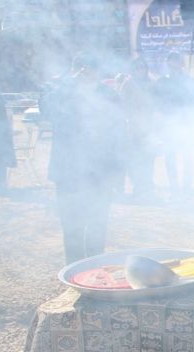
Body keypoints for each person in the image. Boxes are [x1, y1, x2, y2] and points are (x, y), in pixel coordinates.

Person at [43, 53, 125, 264]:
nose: (88, 75)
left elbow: (119, 134)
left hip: (101, 170)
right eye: (83, 70)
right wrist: (69, 83)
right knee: (72, 225)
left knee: (98, 223)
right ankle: (74, 271)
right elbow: (46, 109)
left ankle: (95, 267)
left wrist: (117, 172)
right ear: (76, 70)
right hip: (68, 171)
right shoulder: (62, 92)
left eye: (92, 70)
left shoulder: (109, 95)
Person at [154, 53, 194, 198]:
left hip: (186, 123)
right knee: (170, 157)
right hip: (169, 124)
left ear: (181, 64)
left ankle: (186, 187)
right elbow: (156, 103)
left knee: (188, 157)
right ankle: (174, 186)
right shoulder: (161, 82)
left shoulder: (189, 81)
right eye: (171, 62)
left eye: (176, 62)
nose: (174, 65)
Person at [119, 57, 156, 202]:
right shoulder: (127, 84)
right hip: (133, 128)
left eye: (143, 67)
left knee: (149, 160)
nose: (140, 70)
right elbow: (122, 105)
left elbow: (157, 103)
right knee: (134, 160)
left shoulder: (152, 83)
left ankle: (147, 188)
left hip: (149, 127)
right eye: (137, 67)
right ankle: (138, 187)